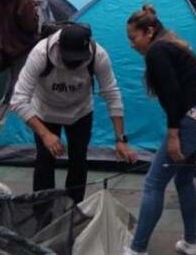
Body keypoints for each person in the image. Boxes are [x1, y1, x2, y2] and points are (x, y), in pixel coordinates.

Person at [123, 5, 196, 255]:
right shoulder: (171, 44)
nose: (132, 45)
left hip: (193, 118)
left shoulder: (157, 51)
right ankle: (190, 243)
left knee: (153, 183)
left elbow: (172, 94)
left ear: (149, 31)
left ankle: (137, 249)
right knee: (184, 179)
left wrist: (174, 135)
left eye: (133, 38)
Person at [11, 22, 136, 202]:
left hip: (80, 112)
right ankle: (42, 211)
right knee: (45, 161)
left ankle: (74, 209)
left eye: (78, 59)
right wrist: (45, 134)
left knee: (78, 161)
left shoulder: (98, 54)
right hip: (45, 113)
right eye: (69, 59)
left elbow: (112, 94)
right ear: (59, 48)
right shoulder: (40, 53)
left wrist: (120, 139)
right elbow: (18, 99)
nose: (73, 64)